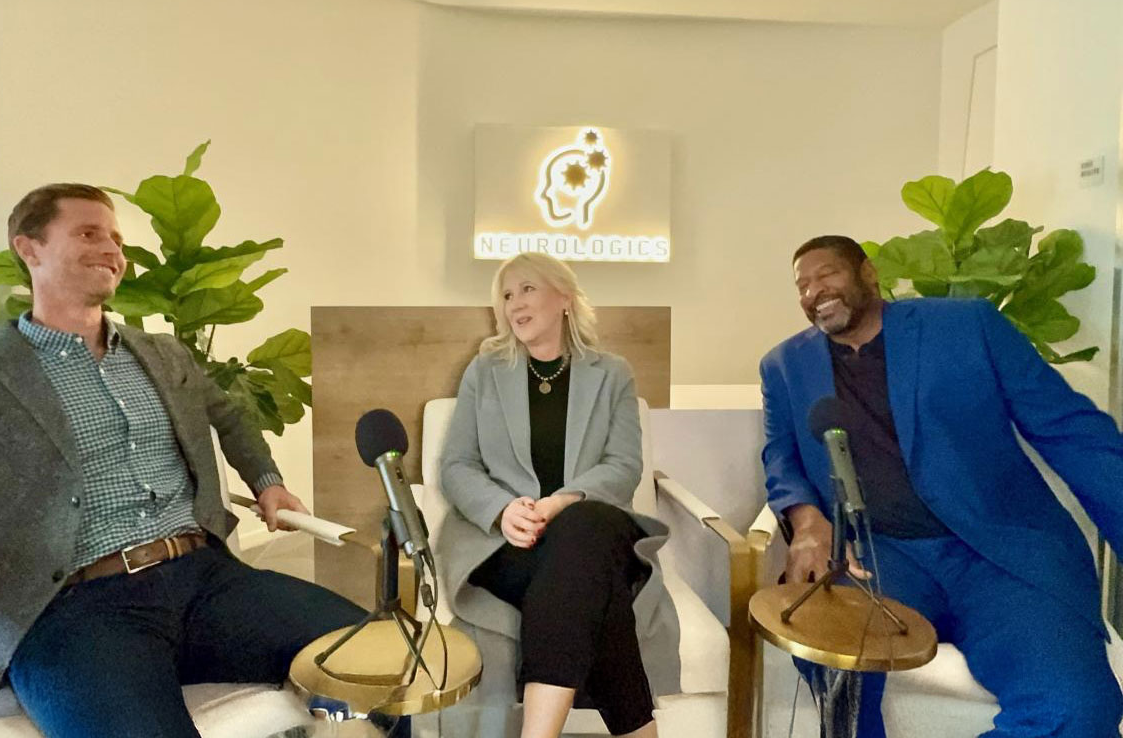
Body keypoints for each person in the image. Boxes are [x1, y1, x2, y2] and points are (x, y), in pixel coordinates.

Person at [0, 183, 367, 738]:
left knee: (378, 661)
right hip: (73, 610)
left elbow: (228, 415)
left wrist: (267, 481)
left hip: (204, 578)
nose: (111, 249)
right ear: (29, 249)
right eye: (88, 233)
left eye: (115, 238)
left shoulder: (165, 354)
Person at [759, 234, 1123, 737]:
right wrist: (807, 520)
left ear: (869, 273)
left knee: (1077, 708)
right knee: (836, 675)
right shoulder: (783, 366)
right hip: (875, 560)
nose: (814, 291)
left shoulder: (968, 327)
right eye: (802, 285)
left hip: (997, 555)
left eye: (827, 275)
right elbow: (781, 457)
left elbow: (1070, 431)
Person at [437, 252, 679, 738]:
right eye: (506, 295)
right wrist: (503, 510)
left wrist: (561, 503)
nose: (514, 304)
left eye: (527, 289)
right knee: (594, 583)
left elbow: (624, 466)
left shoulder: (611, 373)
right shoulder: (484, 371)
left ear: (564, 297)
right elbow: (456, 465)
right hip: (507, 542)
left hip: (594, 525)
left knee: (582, 528)